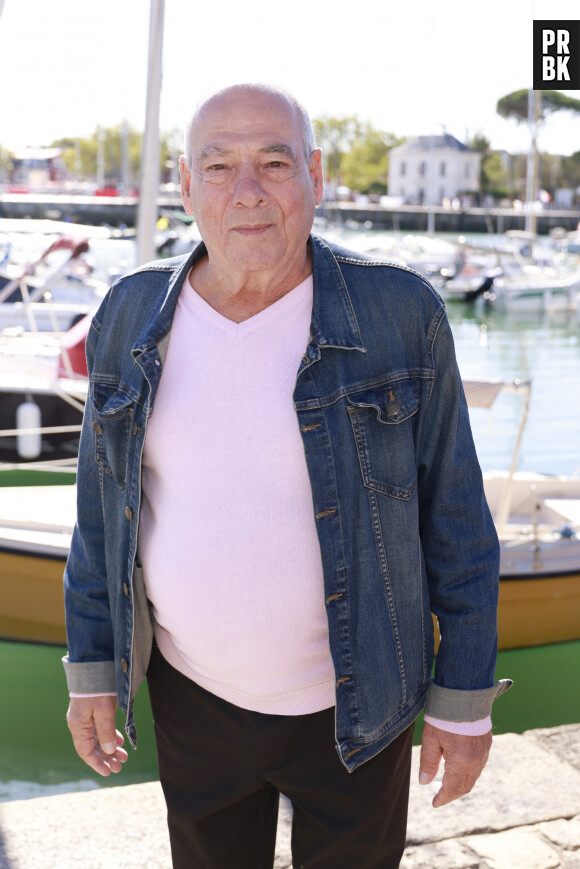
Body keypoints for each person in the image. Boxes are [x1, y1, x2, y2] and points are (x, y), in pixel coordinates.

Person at [64, 83, 511, 869]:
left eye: (274, 162)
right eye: (220, 165)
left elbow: (459, 521)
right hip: (192, 698)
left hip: (363, 706)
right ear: (184, 183)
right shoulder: (129, 315)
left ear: (315, 174)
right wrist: (94, 669)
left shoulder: (400, 313)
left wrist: (464, 703)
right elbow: (100, 515)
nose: (248, 191)